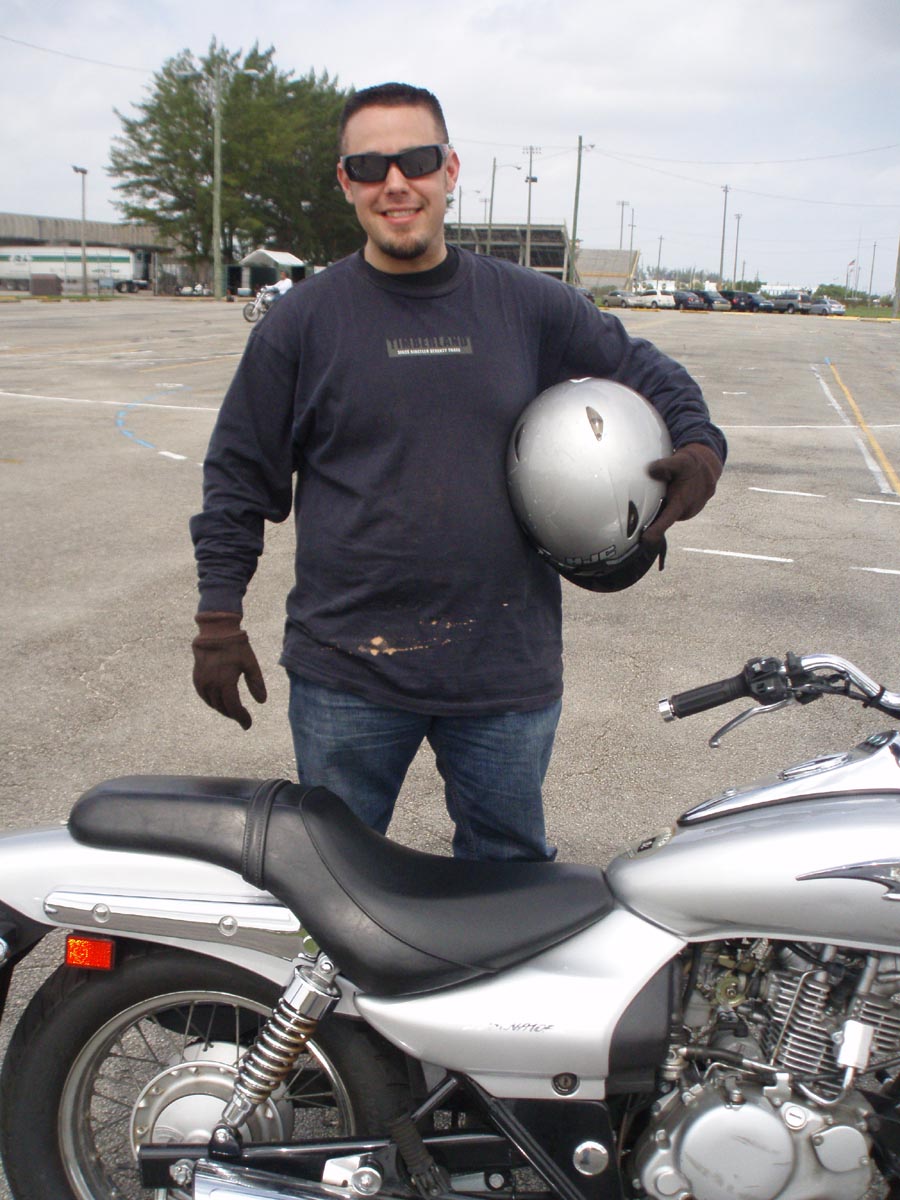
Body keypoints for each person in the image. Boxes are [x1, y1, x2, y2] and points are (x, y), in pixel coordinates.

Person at [190, 81, 726, 862]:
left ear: (449, 169)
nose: (395, 183)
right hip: (348, 673)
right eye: (369, 166)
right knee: (335, 884)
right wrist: (218, 620)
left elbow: (647, 370)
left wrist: (701, 447)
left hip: (503, 673)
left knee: (507, 886)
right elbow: (238, 480)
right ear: (345, 182)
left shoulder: (526, 304)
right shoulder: (301, 323)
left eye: (415, 160)